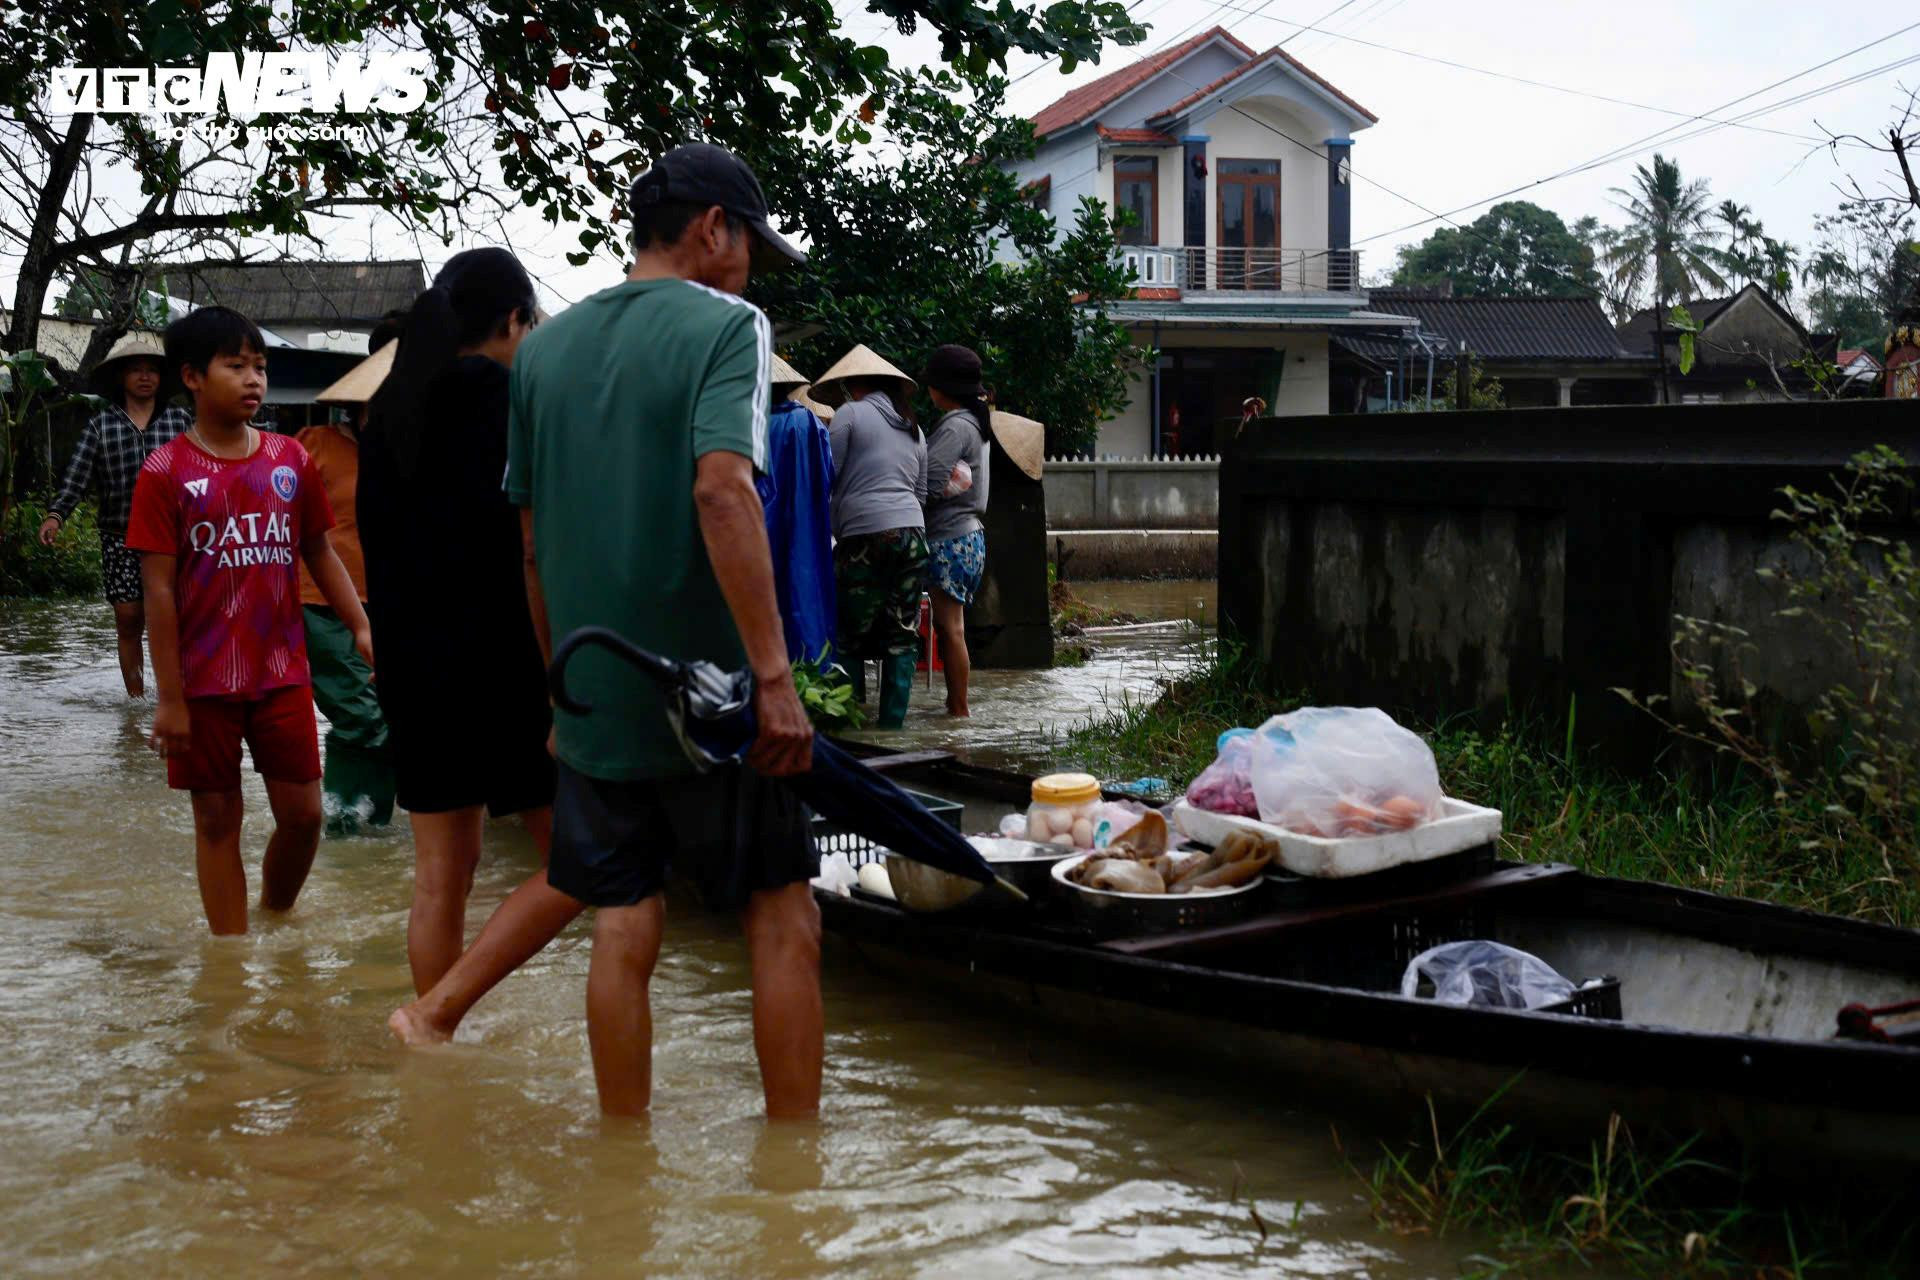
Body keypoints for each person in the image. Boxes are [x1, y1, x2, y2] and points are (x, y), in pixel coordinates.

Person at [502, 142, 819, 1118]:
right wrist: (773, 678)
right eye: (750, 246)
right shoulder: (729, 325)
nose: (753, 268)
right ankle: (794, 1182)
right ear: (711, 228)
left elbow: (531, 544)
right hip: (714, 696)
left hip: (596, 690)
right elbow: (722, 486)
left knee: (622, 919)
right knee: (781, 915)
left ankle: (624, 1164)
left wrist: (564, 692)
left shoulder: (542, 349)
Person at [359, 250, 584, 1036]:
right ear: (515, 319)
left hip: (413, 666)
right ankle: (434, 1012)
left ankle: (436, 1042)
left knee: (441, 873)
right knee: (581, 859)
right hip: (505, 661)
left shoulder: (389, 408)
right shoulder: (505, 396)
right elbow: (534, 546)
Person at [125, 306, 372, 935]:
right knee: (216, 822)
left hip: (282, 670)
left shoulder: (289, 459)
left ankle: (275, 918)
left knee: (305, 815)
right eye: (236, 366)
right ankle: (229, 964)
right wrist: (170, 701)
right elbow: (158, 593)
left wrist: (363, 627)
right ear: (194, 377)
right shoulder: (163, 473)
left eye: (259, 366)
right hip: (201, 682)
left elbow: (321, 551)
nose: (254, 379)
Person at [295, 311, 404, 835]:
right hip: (321, 605)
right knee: (365, 717)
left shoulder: (416, 452)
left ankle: (357, 830)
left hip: (395, 604)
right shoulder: (312, 446)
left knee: (386, 719)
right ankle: (350, 833)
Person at [40, 332, 194, 698]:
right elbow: (76, 477)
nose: (145, 376)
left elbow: (205, 472)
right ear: (122, 378)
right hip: (120, 536)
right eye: (136, 370)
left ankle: (179, 693)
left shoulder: (181, 422)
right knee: (128, 618)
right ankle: (137, 700)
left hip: (175, 537)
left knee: (177, 618)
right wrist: (56, 516)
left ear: (161, 378)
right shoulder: (101, 426)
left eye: (152, 370)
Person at [812, 345, 927, 729]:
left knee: (849, 635)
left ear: (855, 385)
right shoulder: (915, 428)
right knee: (903, 634)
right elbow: (921, 493)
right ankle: (893, 729)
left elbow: (828, 475)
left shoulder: (849, 415)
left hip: (863, 536)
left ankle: (851, 724)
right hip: (913, 536)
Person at [920, 344, 992, 718]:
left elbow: (928, 485)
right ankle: (955, 706)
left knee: (950, 630)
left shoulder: (954, 425)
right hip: (970, 537)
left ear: (941, 388)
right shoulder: (976, 422)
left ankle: (959, 711)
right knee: (955, 628)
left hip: (949, 537)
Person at [759, 357, 837, 664]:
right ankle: (812, 666)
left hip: (763, 523)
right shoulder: (810, 423)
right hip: (807, 523)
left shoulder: (752, 423)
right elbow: (829, 475)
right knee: (805, 591)